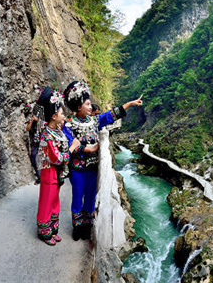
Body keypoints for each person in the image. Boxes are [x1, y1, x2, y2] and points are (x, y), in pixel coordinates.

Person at [63, 80, 143, 240]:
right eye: (87, 104)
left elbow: (110, 115)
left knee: (90, 195)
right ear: (78, 107)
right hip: (77, 168)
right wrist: (90, 149)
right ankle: (77, 227)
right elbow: (70, 144)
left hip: (93, 166)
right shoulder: (69, 125)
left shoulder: (95, 121)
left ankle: (87, 226)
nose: (90, 107)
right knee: (77, 195)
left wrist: (129, 104)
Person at [36, 87, 80, 246]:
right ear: (54, 116)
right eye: (62, 113)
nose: (64, 116)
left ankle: (53, 230)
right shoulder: (47, 135)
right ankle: (44, 232)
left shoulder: (57, 131)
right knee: (47, 202)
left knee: (55, 201)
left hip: (58, 174)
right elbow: (57, 158)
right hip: (50, 173)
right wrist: (72, 148)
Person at [25, 114, 41, 184]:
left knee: (37, 161)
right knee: (33, 160)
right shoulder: (31, 123)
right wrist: (31, 121)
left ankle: (40, 178)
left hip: (40, 145)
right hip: (34, 145)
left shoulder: (41, 123)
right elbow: (27, 129)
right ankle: (38, 174)